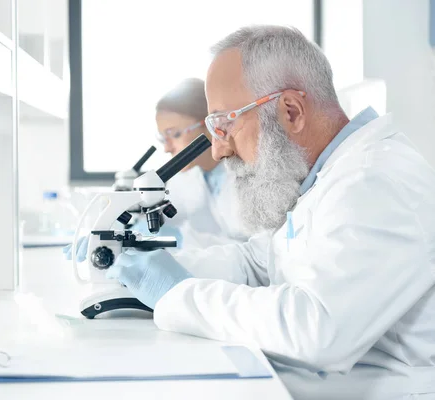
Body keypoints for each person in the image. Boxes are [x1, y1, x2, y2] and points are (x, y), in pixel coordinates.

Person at [106, 26, 435, 400]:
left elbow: (316, 330)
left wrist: (177, 294)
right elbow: (262, 261)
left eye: (224, 125)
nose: (218, 151)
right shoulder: (323, 177)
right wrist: (151, 269)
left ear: (290, 111)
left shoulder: (376, 182)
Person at [133, 77, 248, 246]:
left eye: (174, 134)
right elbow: (167, 219)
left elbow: (257, 252)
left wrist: (182, 243)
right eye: (163, 138)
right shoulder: (189, 177)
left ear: (211, 125)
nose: (167, 148)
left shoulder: (249, 172)